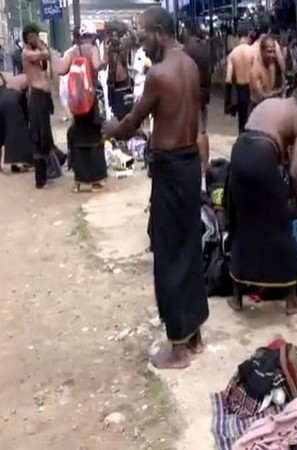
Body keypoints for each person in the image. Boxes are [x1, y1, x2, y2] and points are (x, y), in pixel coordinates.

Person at [103, 6, 208, 370]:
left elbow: (133, 121)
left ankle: (177, 345)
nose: (140, 43)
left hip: (170, 167)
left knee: (168, 252)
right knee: (189, 246)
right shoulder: (190, 65)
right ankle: (193, 335)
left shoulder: (159, 74)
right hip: (189, 162)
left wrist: (110, 128)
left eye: (143, 34)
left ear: (160, 31)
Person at [226, 88, 297, 316]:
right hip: (261, 154)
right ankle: (292, 301)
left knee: (242, 222)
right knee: (281, 225)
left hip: (239, 152)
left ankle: (237, 297)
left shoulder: (271, 103)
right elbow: (295, 172)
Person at [54, 22, 108, 193]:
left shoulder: (71, 52)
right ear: (91, 36)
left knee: (78, 138)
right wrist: (105, 53)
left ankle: (79, 181)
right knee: (94, 137)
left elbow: (61, 70)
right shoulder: (92, 50)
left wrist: (53, 56)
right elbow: (98, 65)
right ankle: (95, 181)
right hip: (90, 101)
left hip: (77, 101)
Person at [22, 23, 56, 189]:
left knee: (45, 138)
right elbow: (45, 56)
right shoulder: (27, 53)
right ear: (27, 40)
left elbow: (47, 64)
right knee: (38, 136)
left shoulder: (37, 52)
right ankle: (40, 180)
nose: (34, 39)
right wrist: (43, 47)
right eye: (31, 37)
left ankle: (46, 174)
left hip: (43, 97)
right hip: (35, 97)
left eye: (35, 35)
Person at [181, 20, 212, 176]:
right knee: (202, 130)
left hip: (193, 93)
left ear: (186, 30)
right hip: (204, 92)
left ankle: (203, 167)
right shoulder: (203, 47)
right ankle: (205, 165)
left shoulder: (188, 49)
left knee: (197, 132)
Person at [0, 73, 35, 172]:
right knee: (18, 133)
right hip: (12, 100)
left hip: (2, 99)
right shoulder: (30, 78)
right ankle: (26, 162)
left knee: (3, 133)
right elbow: (30, 98)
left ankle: (9, 165)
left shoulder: (16, 77)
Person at [225, 27, 255, 134]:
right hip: (252, 88)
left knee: (242, 120)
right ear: (248, 36)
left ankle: (242, 140)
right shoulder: (253, 51)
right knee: (252, 118)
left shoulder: (232, 54)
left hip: (239, 89)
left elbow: (228, 79)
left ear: (238, 37)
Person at [104, 26, 133, 121]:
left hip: (125, 85)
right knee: (117, 114)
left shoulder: (124, 46)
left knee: (127, 113)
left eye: (116, 35)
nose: (114, 38)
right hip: (114, 86)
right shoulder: (108, 48)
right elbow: (104, 64)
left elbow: (135, 39)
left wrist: (128, 28)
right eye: (112, 35)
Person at [249, 36, 283, 109]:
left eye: (274, 52)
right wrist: (279, 92)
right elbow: (261, 97)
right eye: (269, 52)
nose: (273, 55)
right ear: (262, 51)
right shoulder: (255, 70)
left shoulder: (271, 66)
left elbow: (270, 89)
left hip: (268, 107)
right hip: (257, 108)